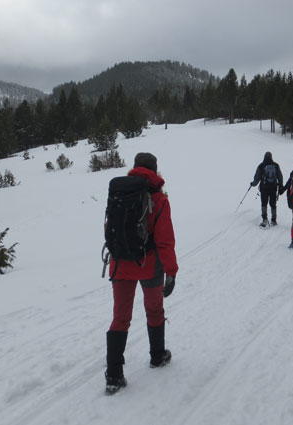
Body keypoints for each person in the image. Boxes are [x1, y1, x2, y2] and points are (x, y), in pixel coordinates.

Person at [105, 152, 179, 394]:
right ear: (155, 171)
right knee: (154, 309)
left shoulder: (118, 193)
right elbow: (165, 241)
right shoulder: (159, 199)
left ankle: (114, 375)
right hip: (150, 264)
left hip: (120, 262)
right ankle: (157, 356)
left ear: (135, 168)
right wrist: (171, 271)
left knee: (120, 317)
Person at [250, 152, 283, 227]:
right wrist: (281, 186)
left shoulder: (261, 166)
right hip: (273, 187)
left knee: (264, 203)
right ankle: (274, 220)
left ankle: (265, 219)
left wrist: (253, 184)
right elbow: (280, 176)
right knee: (273, 204)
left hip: (264, 188)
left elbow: (257, 178)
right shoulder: (276, 165)